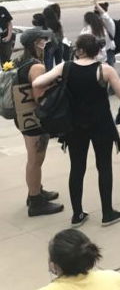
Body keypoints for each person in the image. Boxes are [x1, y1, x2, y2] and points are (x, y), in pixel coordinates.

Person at [33, 34, 120, 227]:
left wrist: (59, 83)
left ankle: (77, 214)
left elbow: (37, 83)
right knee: (104, 167)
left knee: (77, 168)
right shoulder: (104, 69)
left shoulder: (66, 67)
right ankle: (107, 213)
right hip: (101, 124)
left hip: (74, 125)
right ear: (96, 50)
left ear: (79, 50)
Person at [14, 29, 64, 216]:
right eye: (43, 39)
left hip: (25, 118)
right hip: (35, 119)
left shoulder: (21, 61)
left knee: (34, 158)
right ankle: (36, 202)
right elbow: (40, 96)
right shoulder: (36, 67)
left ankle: (35, 191)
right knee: (35, 159)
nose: (45, 41)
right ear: (36, 43)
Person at [41, 3, 66, 71]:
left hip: (49, 45)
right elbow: (62, 36)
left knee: (49, 66)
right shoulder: (58, 23)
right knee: (59, 65)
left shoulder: (44, 24)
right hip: (60, 44)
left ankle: (50, 79)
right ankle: (59, 78)